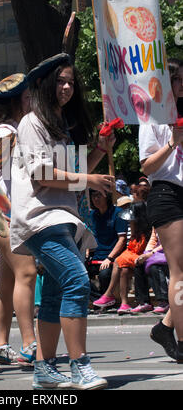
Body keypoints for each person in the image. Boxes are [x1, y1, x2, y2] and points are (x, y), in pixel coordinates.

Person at [10, 53, 113, 390]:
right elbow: (43, 175)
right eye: (61, 81)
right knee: (78, 281)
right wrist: (90, 181)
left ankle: (44, 367)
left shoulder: (59, 125)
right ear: (43, 85)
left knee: (55, 295)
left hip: (64, 218)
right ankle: (80, 365)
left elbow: (74, 173)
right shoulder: (31, 122)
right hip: (41, 219)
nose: (67, 87)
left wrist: (100, 149)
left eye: (71, 82)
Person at [0, 73, 37, 366]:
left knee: (8, 281)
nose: (31, 102)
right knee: (27, 273)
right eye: (27, 98)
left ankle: (1, 346)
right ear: (14, 102)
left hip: (1, 214)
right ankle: (29, 344)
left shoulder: (7, 129)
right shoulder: (4, 132)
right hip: (0, 213)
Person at [139, 58, 183, 362]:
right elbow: (146, 166)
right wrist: (172, 142)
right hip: (165, 193)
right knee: (180, 271)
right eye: (177, 79)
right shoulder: (151, 116)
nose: (182, 84)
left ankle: (167, 326)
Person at [93, 201, 152, 315]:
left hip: (143, 259)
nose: (130, 221)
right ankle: (124, 303)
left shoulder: (148, 231)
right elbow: (131, 248)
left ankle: (108, 294)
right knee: (124, 270)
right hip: (133, 259)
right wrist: (134, 228)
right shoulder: (135, 230)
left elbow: (140, 250)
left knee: (118, 261)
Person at [86, 190, 128, 298]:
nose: (96, 199)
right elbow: (89, 236)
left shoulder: (118, 213)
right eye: (93, 196)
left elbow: (122, 240)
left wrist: (109, 258)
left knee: (104, 274)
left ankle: (106, 300)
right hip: (95, 256)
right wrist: (86, 251)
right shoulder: (92, 215)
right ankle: (99, 299)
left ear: (107, 196)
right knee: (78, 275)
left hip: (113, 257)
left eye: (99, 195)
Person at [132, 228, 169, 314]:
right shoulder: (155, 223)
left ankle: (164, 301)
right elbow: (153, 240)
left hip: (171, 251)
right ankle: (144, 302)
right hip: (158, 253)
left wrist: (151, 253)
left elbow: (169, 241)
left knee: (154, 267)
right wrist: (145, 254)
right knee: (139, 265)